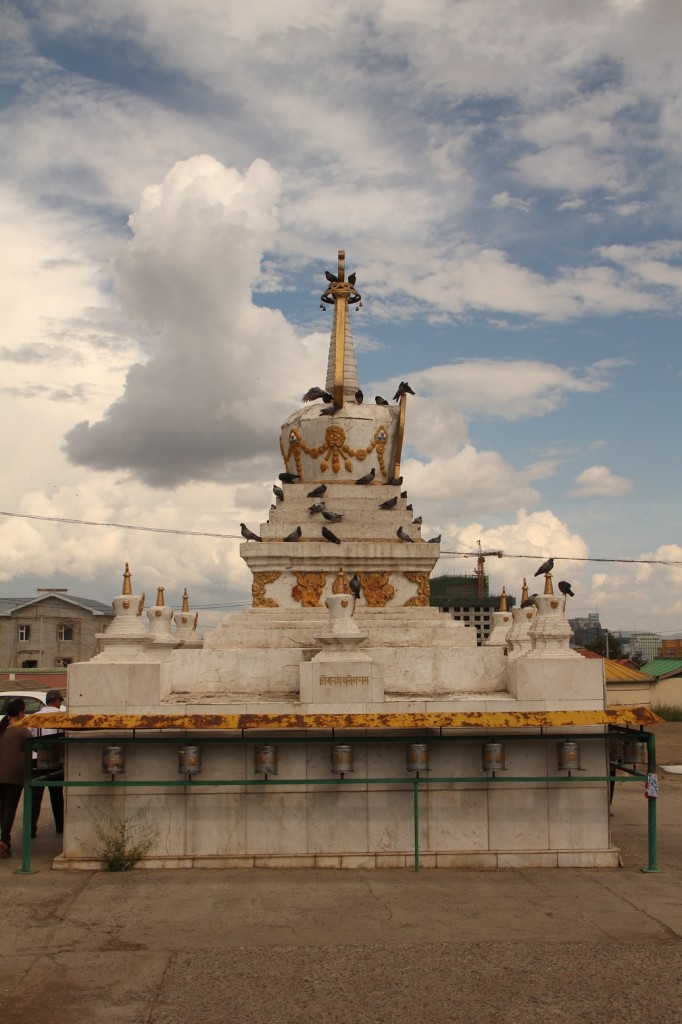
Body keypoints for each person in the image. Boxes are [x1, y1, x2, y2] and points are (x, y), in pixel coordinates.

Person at [0, 698, 33, 857]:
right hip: (14, 774)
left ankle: (4, 839)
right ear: (20, 713)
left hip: (0, 774)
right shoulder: (23, 731)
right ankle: (4, 840)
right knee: (10, 808)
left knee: (3, 807)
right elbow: (35, 747)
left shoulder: (2, 728)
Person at [31, 689, 66, 837]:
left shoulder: (34, 717)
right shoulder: (61, 717)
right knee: (56, 795)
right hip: (55, 761)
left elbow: (30, 737)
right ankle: (60, 827)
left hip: (36, 760)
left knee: (35, 797)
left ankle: (31, 829)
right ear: (57, 701)